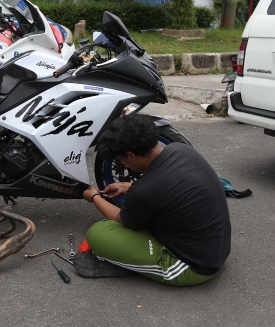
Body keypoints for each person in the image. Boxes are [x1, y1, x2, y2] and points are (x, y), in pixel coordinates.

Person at [79, 114, 231, 286]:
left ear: (131, 155)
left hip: (194, 266)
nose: (122, 163)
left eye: (121, 159)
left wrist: (94, 196)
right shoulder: (181, 150)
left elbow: (121, 218)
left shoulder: (144, 191)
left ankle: (145, 264)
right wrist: (130, 187)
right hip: (217, 249)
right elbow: (170, 185)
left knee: (98, 233)